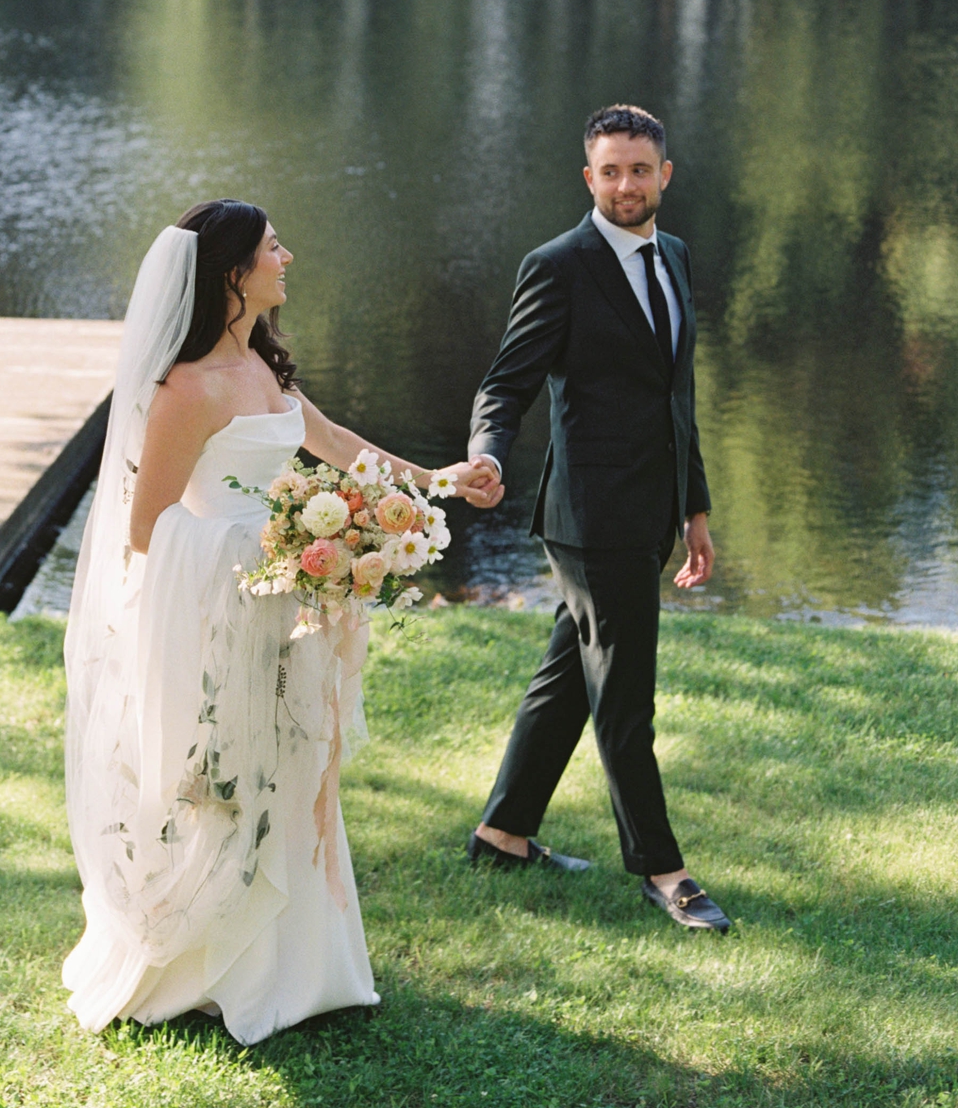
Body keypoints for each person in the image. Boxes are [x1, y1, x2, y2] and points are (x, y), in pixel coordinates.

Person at [62, 199, 488, 1043]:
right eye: (271, 248)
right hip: (226, 610)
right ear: (233, 272)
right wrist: (271, 540)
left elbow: (332, 443)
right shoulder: (184, 388)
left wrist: (435, 482)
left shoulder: (262, 363)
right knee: (230, 775)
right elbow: (148, 527)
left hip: (290, 605)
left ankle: (304, 967)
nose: (286, 257)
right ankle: (216, 968)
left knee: (299, 768)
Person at [462, 106, 732, 934]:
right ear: (589, 178)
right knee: (626, 697)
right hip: (590, 518)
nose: (625, 185)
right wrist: (489, 454)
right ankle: (665, 870)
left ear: (665, 174)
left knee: (571, 672)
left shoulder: (675, 255)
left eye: (639, 170)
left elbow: (674, 397)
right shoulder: (559, 266)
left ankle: (502, 833)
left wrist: (694, 506)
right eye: (610, 171)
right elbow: (506, 382)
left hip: (651, 511)